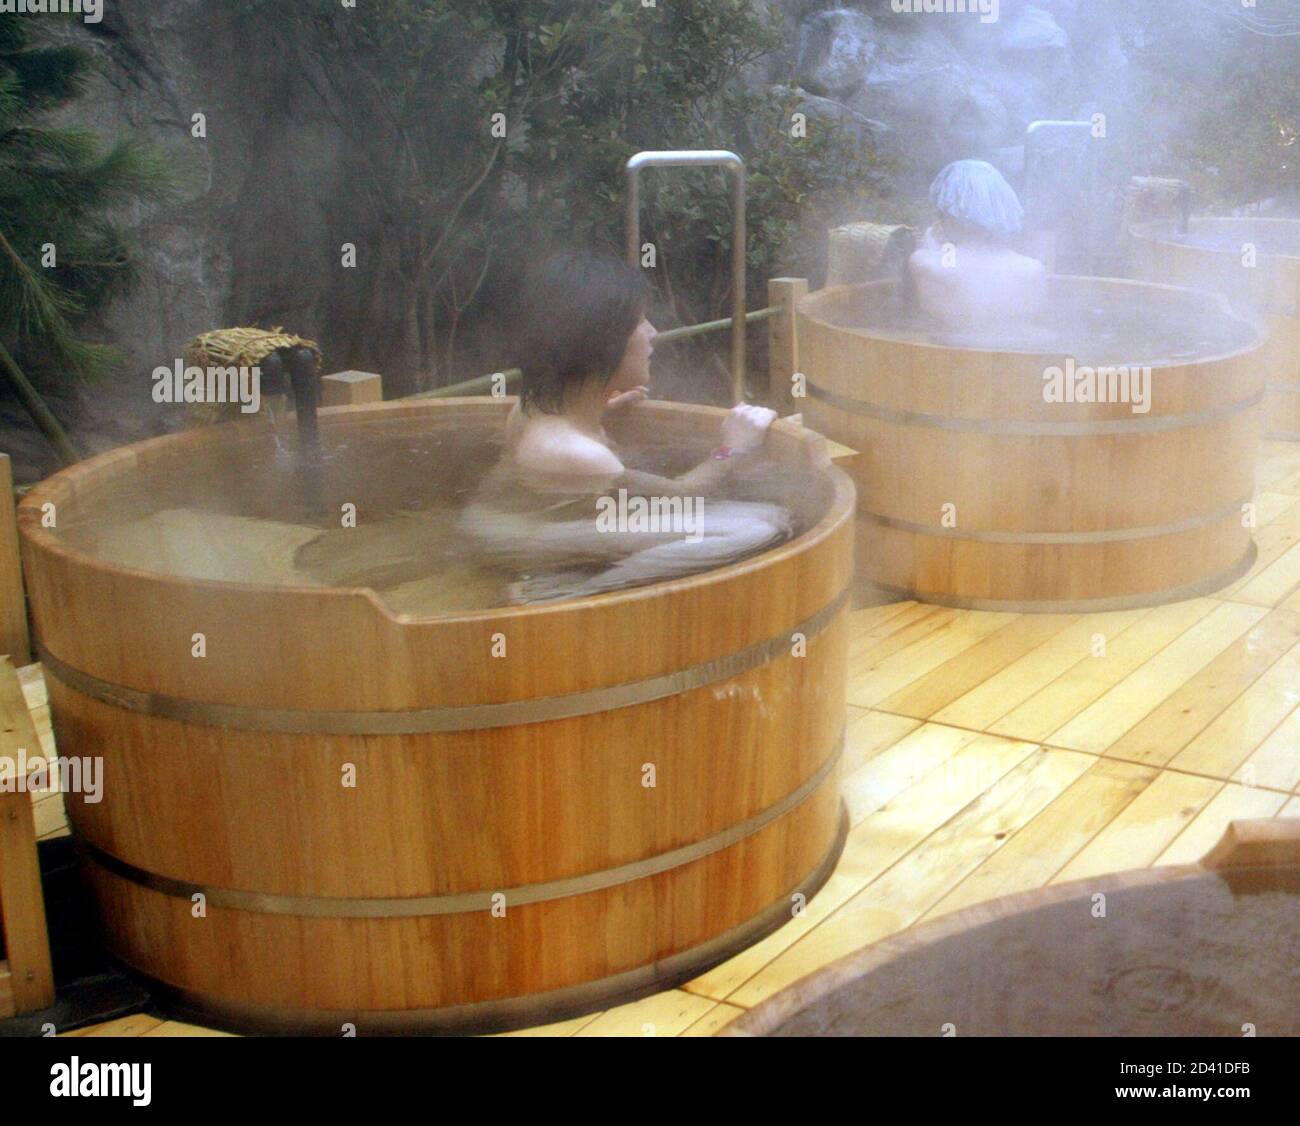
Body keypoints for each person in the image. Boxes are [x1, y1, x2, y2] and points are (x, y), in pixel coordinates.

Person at [461, 250, 792, 603]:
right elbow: (683, 496)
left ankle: (563, 580)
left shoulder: (537, 407)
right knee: (757, 527)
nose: (653, 333)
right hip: (515, 539)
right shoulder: (572, 451)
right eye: (640, 322)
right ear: (600, 342)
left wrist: (600, 404)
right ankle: (555, 593)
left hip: (499, 522)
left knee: (767, 516)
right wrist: (732, 448)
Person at [908, 159, 1047, 323]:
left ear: (949, 212)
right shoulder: (1032, 270)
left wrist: (935, 247)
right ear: (1002, 204)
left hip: (943, 338)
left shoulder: (926, 263)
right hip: (1016, 338)